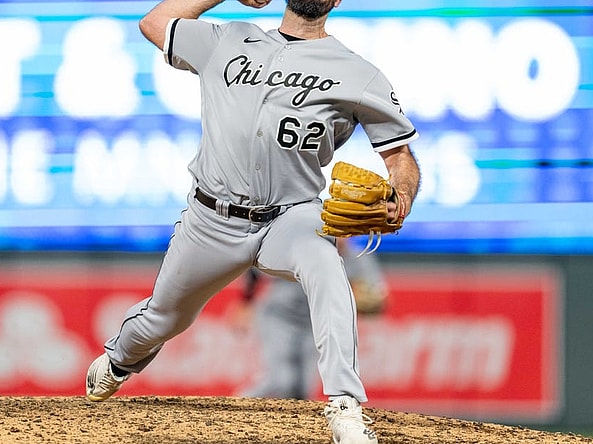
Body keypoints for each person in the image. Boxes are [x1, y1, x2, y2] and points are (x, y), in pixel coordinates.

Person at [85, 0, 421, 442]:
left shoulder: (358, 73)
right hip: (212, 217)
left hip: (292, 214)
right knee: (163, 319)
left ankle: (346, 408)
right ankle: (119, 361)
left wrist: (403, 191)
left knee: (327, 269)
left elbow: (399, 156)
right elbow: (154, 22)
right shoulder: (227, 39)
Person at [234, 238, 389, 401]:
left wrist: (369, 300)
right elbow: (255, 269)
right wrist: (245, 303)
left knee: (303, 389)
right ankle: (231, 408)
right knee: (281, 380)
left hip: (313, 324)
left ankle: (291, 426)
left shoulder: (357, 259)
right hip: (279, 318)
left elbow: (378, 295)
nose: (342, 236)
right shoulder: (305, 247)